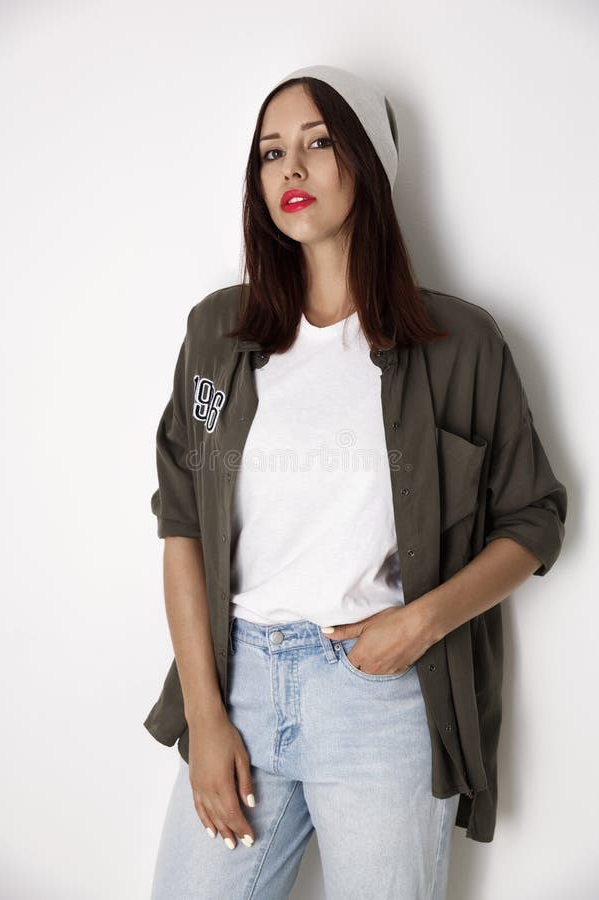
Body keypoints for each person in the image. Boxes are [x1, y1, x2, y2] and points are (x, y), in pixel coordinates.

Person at [144, 65, 567, 899]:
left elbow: (532, 519)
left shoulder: (461, 345)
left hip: (382, 704)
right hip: (240, 688)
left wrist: (418, 625)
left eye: (317, 143)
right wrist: (205, 714)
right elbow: (183, 523)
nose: (289, 170)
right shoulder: (216, 334)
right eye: (270, 152)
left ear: (366, 163)